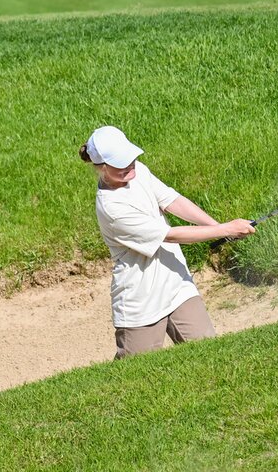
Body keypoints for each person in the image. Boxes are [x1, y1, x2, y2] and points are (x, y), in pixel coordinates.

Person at [79, 126, 256, 359]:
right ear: (102, 168)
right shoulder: (112, 208)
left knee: (210, 355)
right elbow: (169, 234)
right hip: (140, 299)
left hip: (176, 282)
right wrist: (225, 229)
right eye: (120, 164)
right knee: (136, 375)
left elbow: (172, 200)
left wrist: (218, 226)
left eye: (130, 158)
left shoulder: (138, 171)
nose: (129, 165)